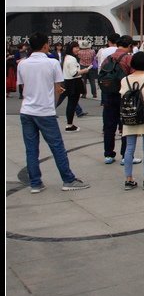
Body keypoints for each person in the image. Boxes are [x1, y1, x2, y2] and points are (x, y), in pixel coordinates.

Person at [17, 32, 90, 193]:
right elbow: (58, 88)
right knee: (57, 146)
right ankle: (68, 179)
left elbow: (22, 87)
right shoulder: (52, 63)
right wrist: (52, 102)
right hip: (45, 111)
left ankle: (35, 183)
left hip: (27, 110)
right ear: (44, 45)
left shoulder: (22, 63)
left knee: (31, 149)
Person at [120, 51, 144, 190]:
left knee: (129, 147)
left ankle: (128, 179)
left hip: (129, 115)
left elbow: (122, 97)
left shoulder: (124, 80)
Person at [101, 35, 136, 165]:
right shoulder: (128, 58)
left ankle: (108, 155)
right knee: (125, 126)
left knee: (109, 126)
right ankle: (125, 156)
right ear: (129, 46)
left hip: (109, 95)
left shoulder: (108, 58)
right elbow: (133, 77)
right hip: (124, 96)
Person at [59, 41, 89, 132]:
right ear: (71, 49)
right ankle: (69, 125)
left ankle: (69, 124)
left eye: (78, 48)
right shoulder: (72, 59)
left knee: (69, 104)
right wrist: (85, 70)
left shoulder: (67, 57)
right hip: (73, 83)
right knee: (72, 104)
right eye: (75, 48)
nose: (77, 50)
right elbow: (74, 73)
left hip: (68, 82)